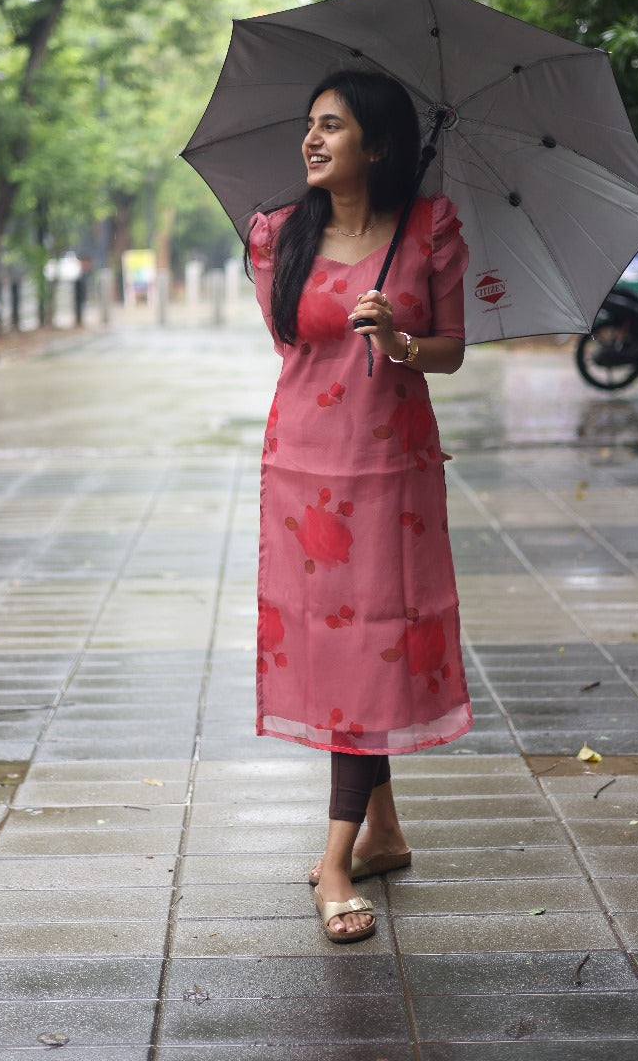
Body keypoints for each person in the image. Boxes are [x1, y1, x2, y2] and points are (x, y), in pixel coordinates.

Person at [246, 69, 473, 943]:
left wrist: (401, 339)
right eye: (309, 125)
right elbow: (288, 340)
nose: (312, 139)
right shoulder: (276, 236)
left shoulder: (430, 228)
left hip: (394, 474)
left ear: (375, 145)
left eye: (332, 126)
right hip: (306, 470)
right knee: (343, 649)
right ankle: (382, 831)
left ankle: (336, 864)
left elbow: (450, 350)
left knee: (372, 647)